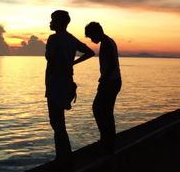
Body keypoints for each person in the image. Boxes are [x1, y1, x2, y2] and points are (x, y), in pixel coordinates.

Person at [45, 10, 94, 167]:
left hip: (55, 84)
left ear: (59, 22)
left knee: (56, 122)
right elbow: (90, 52)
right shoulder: (71, 39)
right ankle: (64, 156)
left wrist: (65, 61)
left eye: (52, 20)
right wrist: (72, 63)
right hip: (66, 83)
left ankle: (64, 158)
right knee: (60, 122)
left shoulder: (53, 39)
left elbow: (50, 57)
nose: (50, 23)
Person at [85, 22, 122, 154]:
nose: (91, 40)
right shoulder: (108, 41)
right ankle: (108, 140)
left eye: (91, 36)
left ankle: (107, 140)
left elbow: (111, 63)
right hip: (113, 81)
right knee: (106, 111)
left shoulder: (106, 43)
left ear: (97, 32)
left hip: (110, 82)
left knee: (98, 109)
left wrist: (103, 78)